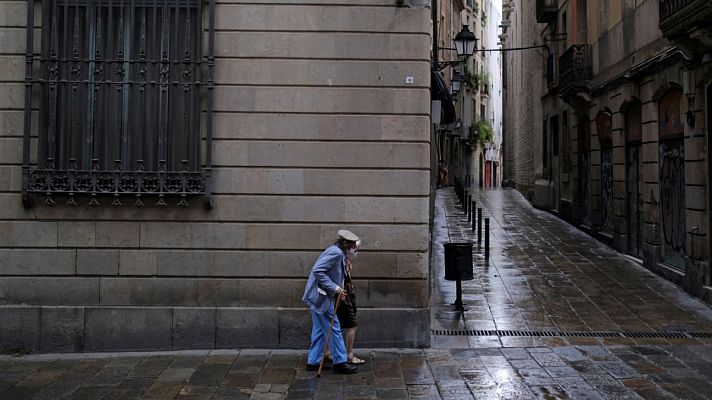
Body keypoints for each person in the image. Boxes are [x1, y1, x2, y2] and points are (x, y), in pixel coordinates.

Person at [301, 230, 360, 374]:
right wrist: (335, 288)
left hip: (317, 296)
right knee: (334, 328)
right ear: (345, 244)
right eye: (353, 246)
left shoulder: (337, 252)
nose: (354, 249)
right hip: (322, 297)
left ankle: (314, 361)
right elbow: (318, 271)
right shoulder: (336, 253)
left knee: (320, 330)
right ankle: (340, 362)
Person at [336, 240, 365, 365]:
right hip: (343, 296)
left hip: (347, 294)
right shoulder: (337, 256)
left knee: (334, 326)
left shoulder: (343, 257)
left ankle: (328, 353)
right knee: (352, 325)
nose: (356, 251)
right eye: (355, 248)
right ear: (348, 247)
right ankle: (349, 355)